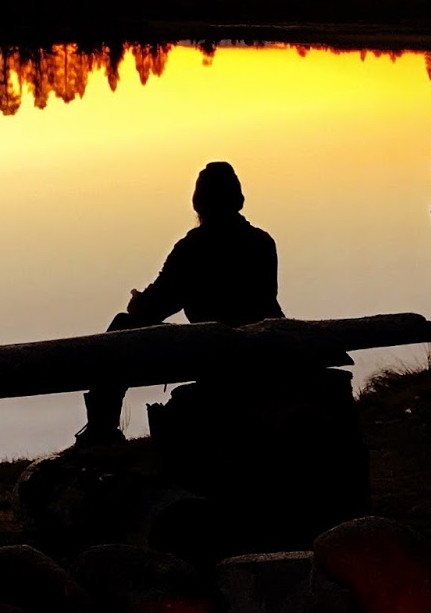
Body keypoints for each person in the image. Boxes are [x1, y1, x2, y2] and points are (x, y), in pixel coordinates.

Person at [76, 160, 282, 445]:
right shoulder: (262, 242)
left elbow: (155, 305)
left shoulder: (193, 248)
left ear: (198, 204)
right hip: (262, 345)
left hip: (215, 349)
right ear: (238, 199)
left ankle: (101, 428)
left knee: (120, 328)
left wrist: (138, 302)